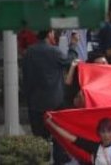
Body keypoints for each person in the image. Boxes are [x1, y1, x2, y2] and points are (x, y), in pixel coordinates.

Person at [22, 30, 72, 164]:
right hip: (55, 103)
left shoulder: (29, 52)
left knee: (39, 141)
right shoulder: (54, 52)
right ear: (49, 34)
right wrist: (73, 46)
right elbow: (70, 61)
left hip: (35, 103)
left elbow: (25, 78)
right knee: (59, 139)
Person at [47, 104, 111, 165]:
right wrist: (51, 123)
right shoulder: (93, 147)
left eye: (109, 131)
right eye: (103, 131)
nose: (106, 135)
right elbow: (70, 137)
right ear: (99, 133)